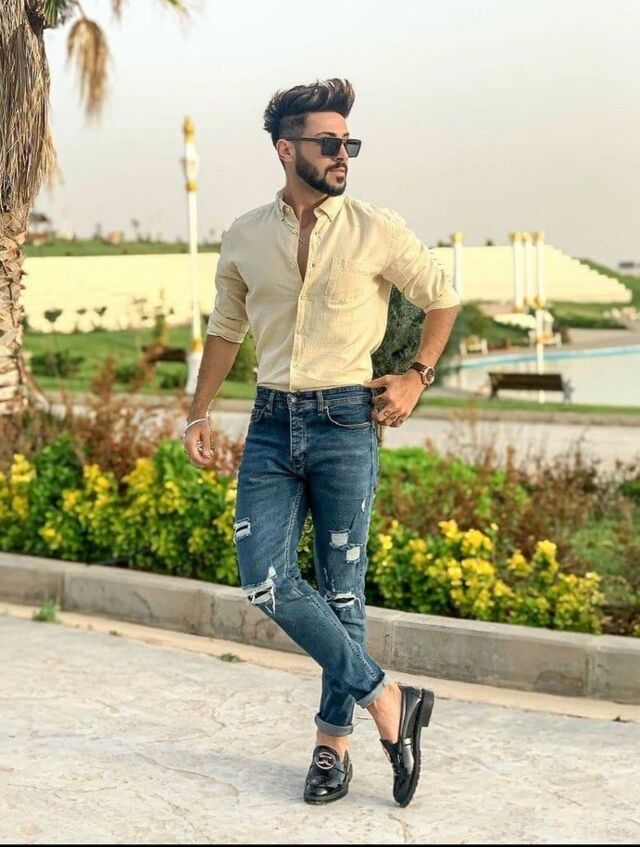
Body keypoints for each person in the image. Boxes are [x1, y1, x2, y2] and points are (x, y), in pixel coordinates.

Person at [183, 78, 460, 807]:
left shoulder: (376, 227)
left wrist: (416, 378)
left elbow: (442, 297)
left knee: (343, 591)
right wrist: (197, 413)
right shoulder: (245, 234)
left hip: (346, 422)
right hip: (271, 423)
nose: (343, 155)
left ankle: (331, 747)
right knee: (264, 577)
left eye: (349, 143)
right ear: (286, 149)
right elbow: (225, 329)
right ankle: (388, 697)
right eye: (329, 143)